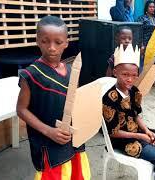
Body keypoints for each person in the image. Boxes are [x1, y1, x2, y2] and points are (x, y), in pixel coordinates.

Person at [16, 16, 90, 179]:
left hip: (72, 139)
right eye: (45, 41)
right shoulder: (31, 74)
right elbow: (21, 110)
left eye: (58, 42)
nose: (51, 48)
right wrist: (48, 131)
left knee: (76, 173)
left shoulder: (71, 70)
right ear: (37, 40)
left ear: (66, 42)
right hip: (48, 142)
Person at [103, 44, 155, 180]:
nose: (130, 79)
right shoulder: (109, 98)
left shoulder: (134, 91)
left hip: (138, 132)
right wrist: (142, 137)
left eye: (134, 75)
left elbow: (136, 115)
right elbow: (114, 133)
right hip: (122, 140)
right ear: (115, 72)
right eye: (125, 74)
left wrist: (146, 130)